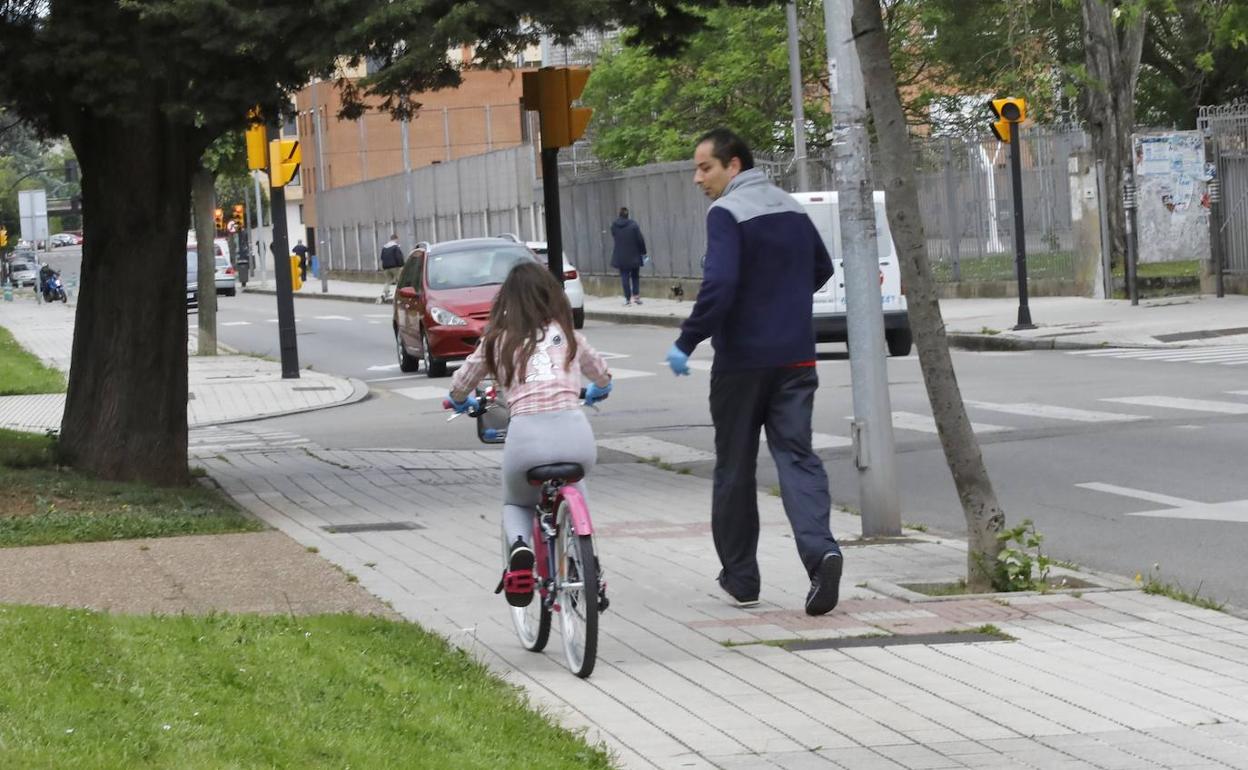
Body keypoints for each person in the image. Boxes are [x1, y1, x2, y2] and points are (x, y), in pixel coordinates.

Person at [665, 127, 843, 617]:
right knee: (797, 457)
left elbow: (719, 284)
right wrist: (781, 301)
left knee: (735, 468)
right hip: (796, 358)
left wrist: (686, 341)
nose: (698, 178)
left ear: (734, 166)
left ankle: (742, 579)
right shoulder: (790, 206)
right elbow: (821, 268)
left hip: (742, 362)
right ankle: (821, 552)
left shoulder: (726, 212)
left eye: (706, 167)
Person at [447, 261, 613, 607]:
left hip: (527, 441)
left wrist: (456, 399)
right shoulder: (567, 335)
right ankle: (589, 563)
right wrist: (600, 388)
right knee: (576, 483)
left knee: (516, 501)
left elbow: (463, 381)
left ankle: (520, 548)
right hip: (576, 436)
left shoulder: (498, 340)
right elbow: (601, 373)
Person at [610, 206, 647, 306]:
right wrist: (643, 252)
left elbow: (614, 236)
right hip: (634, 255)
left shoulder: (614, 225)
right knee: (635, 276)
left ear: (619, 214)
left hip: (621, 256)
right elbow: (640, 239)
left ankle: (627, 299)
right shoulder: (633, 225)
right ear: (627, 215)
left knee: (624, 277)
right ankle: (636, 297)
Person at [378, 234, 403, 302]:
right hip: (394, 267)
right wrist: (401, 265)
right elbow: (398, 257)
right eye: (397, 239)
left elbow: (382, 257)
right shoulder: (395, 247)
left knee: (388, 281)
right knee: (400, 280)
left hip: (386, 267)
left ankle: (385, 293)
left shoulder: (384, 247)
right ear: (396, 239)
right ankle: (401, 294)